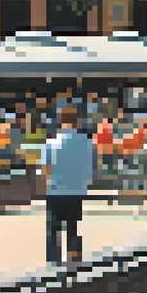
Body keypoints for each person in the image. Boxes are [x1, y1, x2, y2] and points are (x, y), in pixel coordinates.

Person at [41, 109, 94, 266]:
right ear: (77, 122)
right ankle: (74, 263)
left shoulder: (51, 143)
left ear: (60, 122)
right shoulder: (86, 142)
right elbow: (90, 165)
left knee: (53, 230)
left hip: (56, 191)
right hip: (77, 191)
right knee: (73, 228)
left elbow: (45, 170)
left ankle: (54, 265)